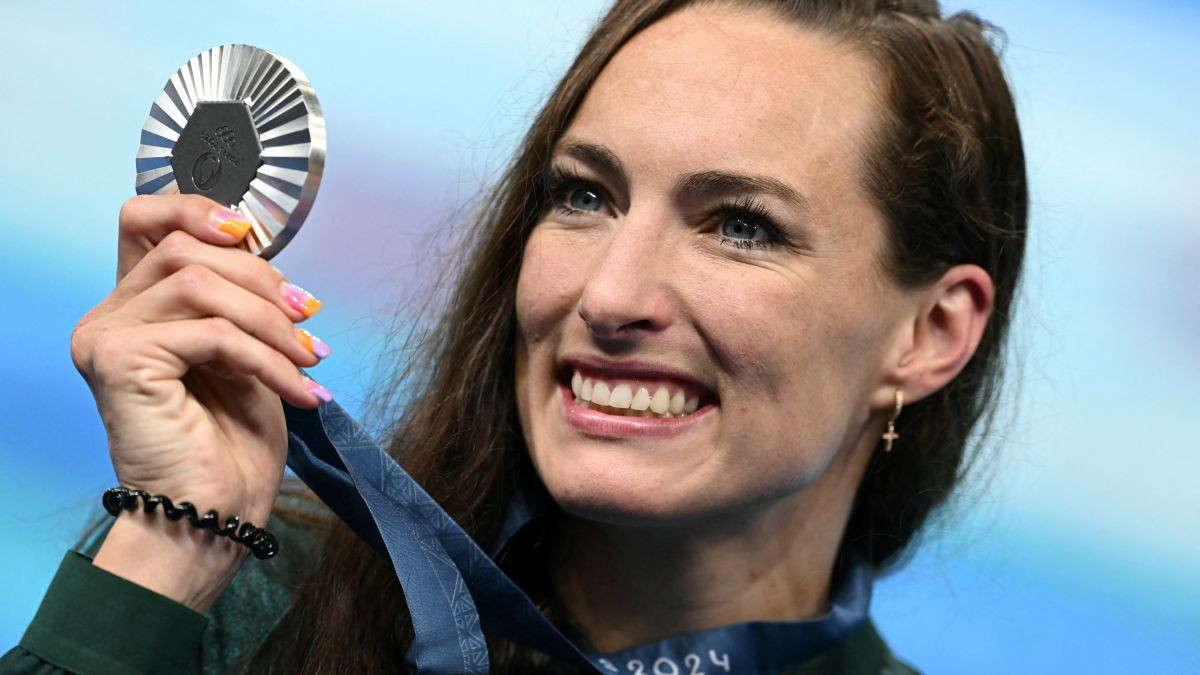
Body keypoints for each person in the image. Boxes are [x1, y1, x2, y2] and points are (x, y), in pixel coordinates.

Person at [1, 0, 1026, 672]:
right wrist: (173, 541)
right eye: (585, 196)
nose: (611, 294)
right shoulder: (245, 594)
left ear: (929, 334)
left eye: (740, 226)